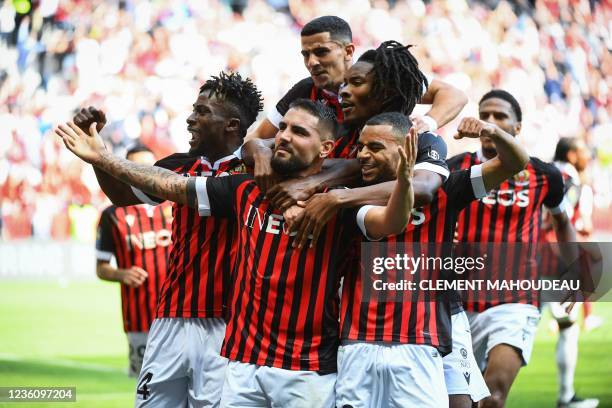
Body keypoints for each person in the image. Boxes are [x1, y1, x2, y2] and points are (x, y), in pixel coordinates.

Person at [56, 98, 418, 408]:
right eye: (284, 128)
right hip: (241, 364)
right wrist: (103, 159)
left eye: (300, 132)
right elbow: (169, 184)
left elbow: (390, 222)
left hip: (307, 368)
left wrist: (403, 181)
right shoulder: (243, 188)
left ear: (325, 149)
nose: (285, 136)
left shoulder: (334, 203)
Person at [74, 72, 263, 407]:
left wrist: (104, 156)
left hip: (227, 324)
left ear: (231, 125)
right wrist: (96, 151)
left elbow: (171, 187)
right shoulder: (179, 164)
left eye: (203, 112)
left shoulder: (251, 174)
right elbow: (122, 195)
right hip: (169, 318)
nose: (191, 118)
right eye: (194, 109)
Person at [448, 89, 577, 408]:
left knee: (493, 396)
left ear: (517, 127)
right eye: (485, 115)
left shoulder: (545, 175)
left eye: (500, 116)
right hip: (459, 303)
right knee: (458, 401)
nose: (490, 122)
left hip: (516, 299)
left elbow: (562, 223)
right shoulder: (455, 169)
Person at [247, 15, 467, 140]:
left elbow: (453, 95)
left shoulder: (379, 77)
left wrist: (427, 122)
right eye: (306, 54)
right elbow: (257, 139)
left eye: (321, 52)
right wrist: (260, 153)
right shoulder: (304, 90)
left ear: (349, 51)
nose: (311, 62)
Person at [95, 144, 172, 378]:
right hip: (138, 316)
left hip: (179, 314)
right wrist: (122, 274)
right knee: (146, 384)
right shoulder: (112, 215)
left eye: (150, 166)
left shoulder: (177, 205)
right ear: (125, 170)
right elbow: (101, 268)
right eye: (137, 167)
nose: (145, 171)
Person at [541, 137, 599, 408]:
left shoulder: (545, 170)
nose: (588, 155)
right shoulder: (567, 178)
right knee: (566, 329)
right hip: (553, 260)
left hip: (522, 258)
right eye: (584, 150)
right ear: (573, 154)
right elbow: (551, 219)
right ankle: (566, 397)